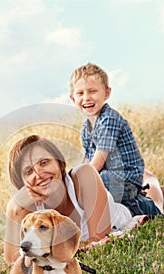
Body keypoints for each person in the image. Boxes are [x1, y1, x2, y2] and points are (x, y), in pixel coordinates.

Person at [4, 134, 136, 266]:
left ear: (59, 163)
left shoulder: (84, 175)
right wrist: (13, 207)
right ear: (22, 183)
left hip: (131, 208)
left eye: (44, 163)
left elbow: (97, 240)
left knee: (152, 197)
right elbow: (13, 261)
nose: (39, 174)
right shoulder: (29, 210)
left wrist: (46, 253)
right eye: (29, 171)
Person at [69, 62, 163, 213]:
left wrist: (75, 183)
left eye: (92, 91)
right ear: (73, 99)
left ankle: (146, 206)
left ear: (106, 93)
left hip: (128, 178)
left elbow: (97, 163)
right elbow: (89, 161)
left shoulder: (109, 119)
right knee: (88, 180)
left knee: (98, 181)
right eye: (80, 93)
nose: (86, 98)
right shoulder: (86, 129)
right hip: (111, 176)